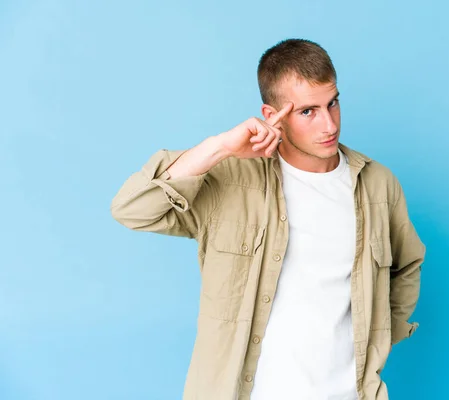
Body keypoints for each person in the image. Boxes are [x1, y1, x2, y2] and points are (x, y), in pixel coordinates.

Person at [111, 38, 426, 400]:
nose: (329, 124)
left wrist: (379, 337)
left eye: (333, 103)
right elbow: (132, 208)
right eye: (308, 111)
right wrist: (220, 147)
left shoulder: (377, 184)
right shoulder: (231, 179)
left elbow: (407, 265)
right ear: (271, 114)